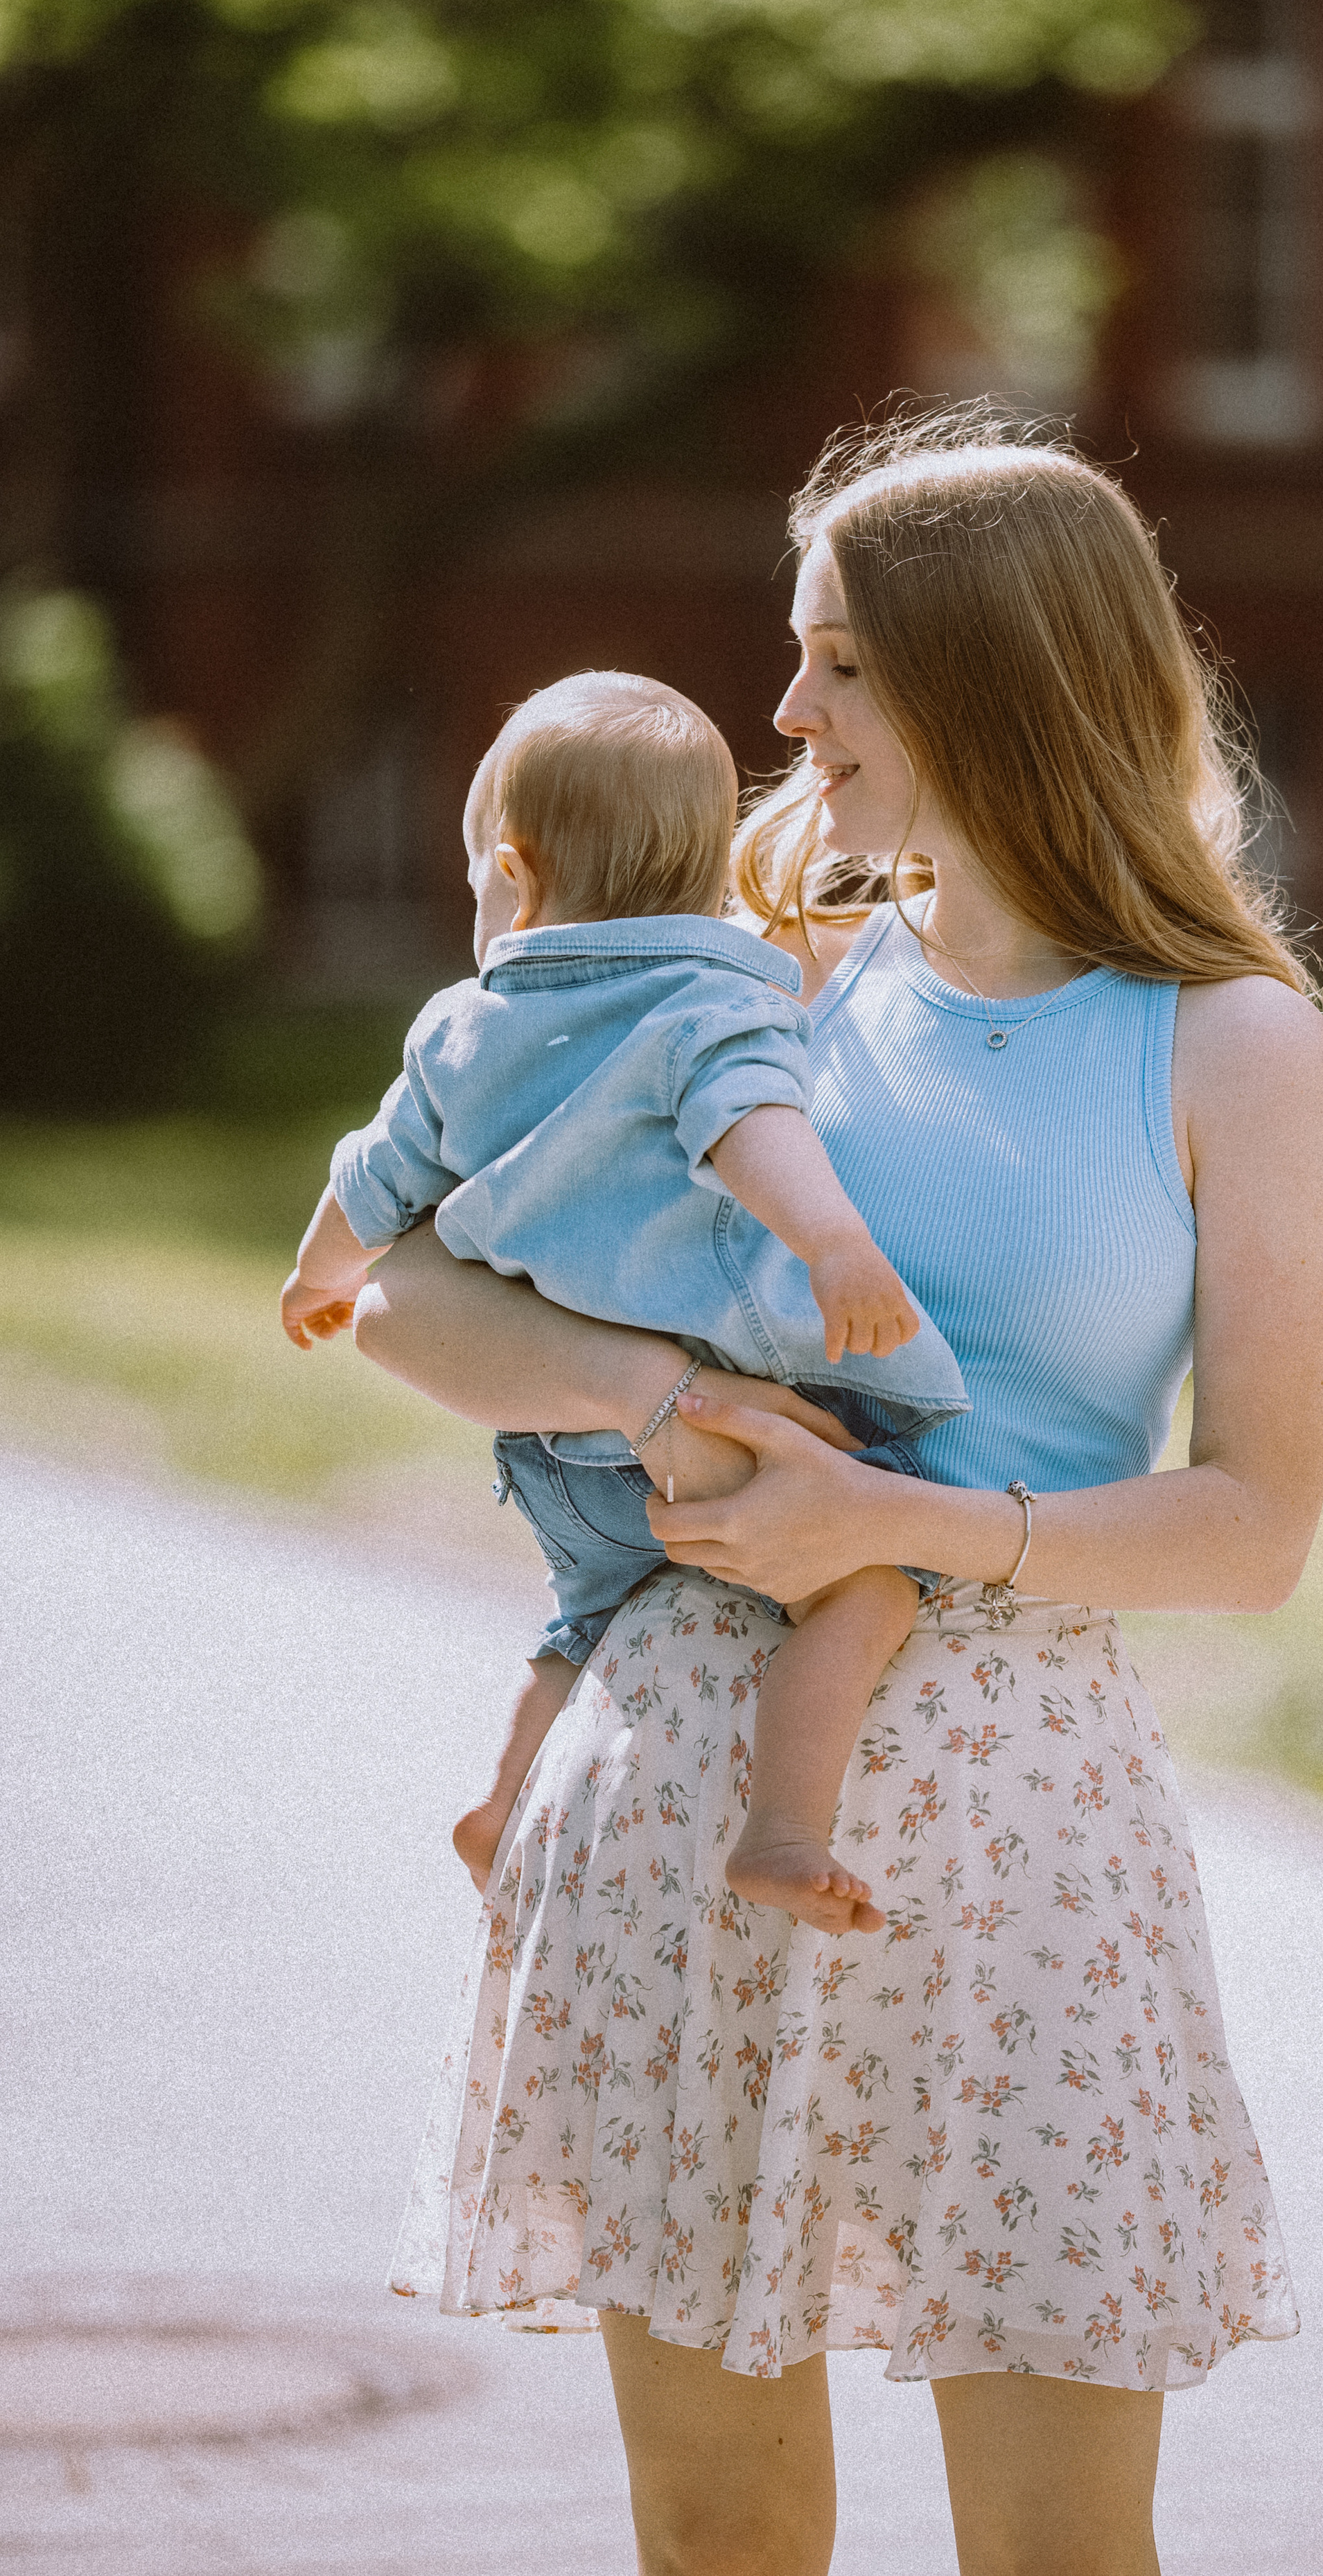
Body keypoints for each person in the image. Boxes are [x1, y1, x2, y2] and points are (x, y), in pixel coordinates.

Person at [355, 412, 1323, 2576]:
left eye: (836, 660)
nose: (783, 713)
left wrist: (898, 1528)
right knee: (718, 2534)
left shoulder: (1231, 1046)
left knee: (1056, 2548)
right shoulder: (755, 961)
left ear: (990, 675)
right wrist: (644, 1396)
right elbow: (390, 1278)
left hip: (1022, 1854)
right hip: (676, 1807)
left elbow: (1255, 1522)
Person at [280, 669, 971, 1930]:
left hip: (555, 1452)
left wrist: (317, 1276)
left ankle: (501, 1805)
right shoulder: (712, 1002)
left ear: (515, 868)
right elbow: (750, 1121)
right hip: (713, 1432)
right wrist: (832, 1241)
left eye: (475, 882)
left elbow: (373, 1178)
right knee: (870, 1589)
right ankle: (784, 1829)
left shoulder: (456, 1027)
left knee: (584, 1616)